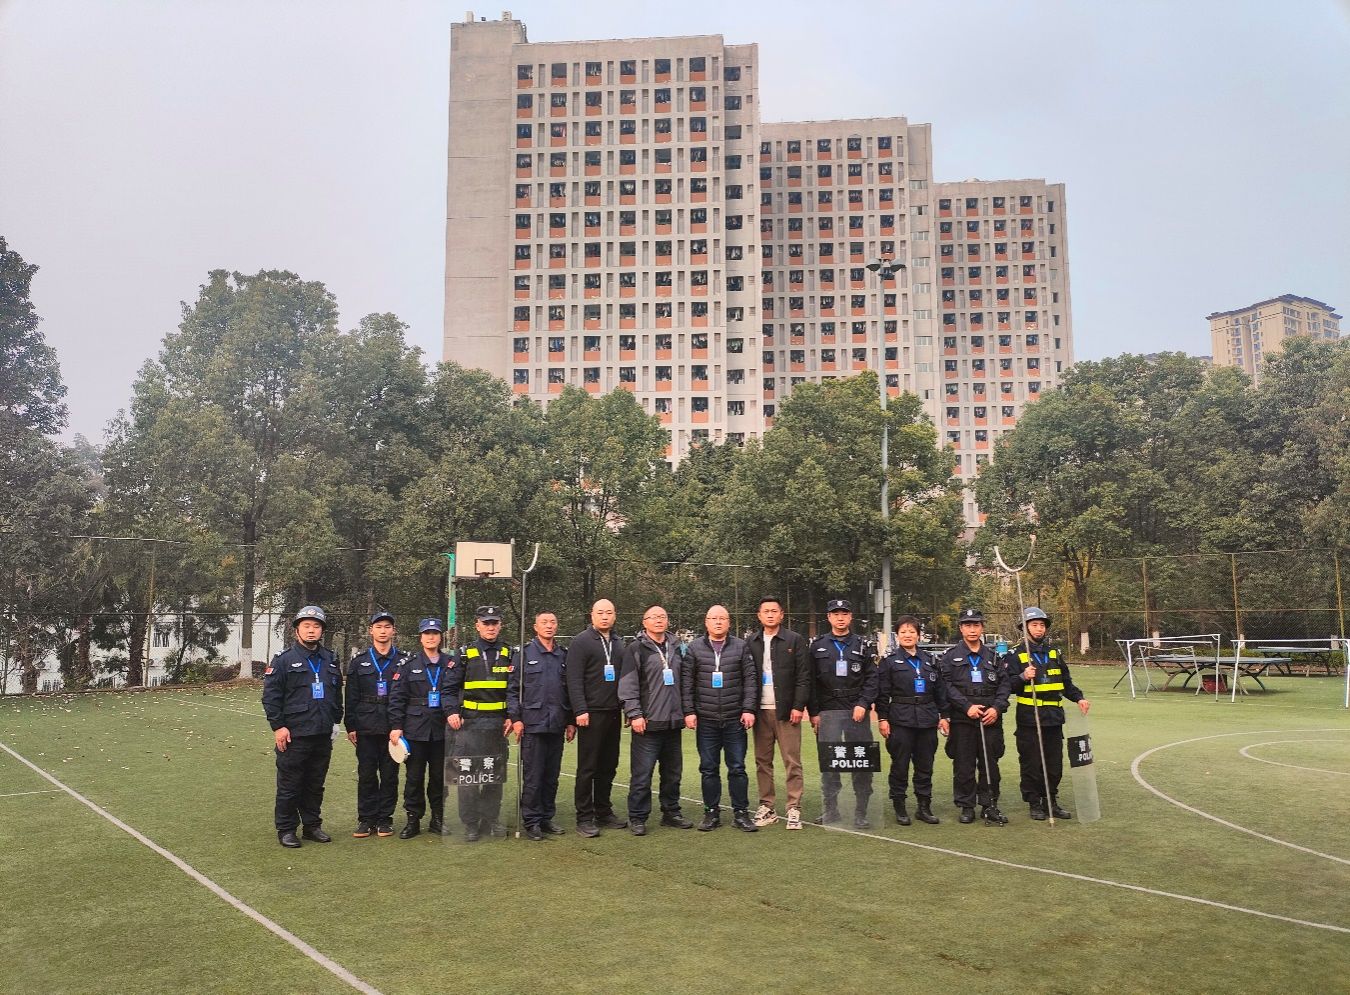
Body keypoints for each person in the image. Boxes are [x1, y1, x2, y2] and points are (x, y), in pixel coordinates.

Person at [262, 605, 343, 848]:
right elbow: (271, 697)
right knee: (290, 785)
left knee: (315, 784)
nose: (311, 630)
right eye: (306, 625)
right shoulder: (284, 660)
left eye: (316, 626)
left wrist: (336, 721)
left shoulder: (330, 659)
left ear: (322, 631)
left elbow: (336, 693)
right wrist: (278, 726)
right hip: (294, 734)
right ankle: (286, 829)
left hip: (322, 733)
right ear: (296, 630)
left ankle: (312, 826)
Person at [1004, 607, 1090, 821]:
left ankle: (1050, 800)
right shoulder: (1015, 654)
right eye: (1034, 625)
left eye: (1042, 625)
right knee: (1032, 763)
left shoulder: (1054, 653)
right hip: (1029, 717)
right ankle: (1034, 802)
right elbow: (1006, 686)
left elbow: (1066, 683)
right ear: (1025, 628)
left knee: (1054, 765)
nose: (1039, 629)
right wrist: (1023, 676)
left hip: (1053, 717)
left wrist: (1079, 698)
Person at [681, 605, 759, 832]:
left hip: (735, 718)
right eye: (713, 618)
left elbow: (750, 680)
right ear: (706, 622)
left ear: (729, 622)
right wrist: (689, 711)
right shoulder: (694, 648)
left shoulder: (740, 646)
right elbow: (687, 683)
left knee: (737, 768)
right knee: (708, 768)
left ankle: (741, 813)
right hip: (706, 719)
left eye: (722, 618)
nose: (718, 622)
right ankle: (711, 812)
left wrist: (748, 709)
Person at [619, 605, 694, 835]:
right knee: (642, 775)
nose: (659, 620)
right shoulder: (636, 648)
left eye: (663, 616)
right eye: (654, 617)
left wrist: (687, 711)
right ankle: (637, 817)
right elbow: (628, 684)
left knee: (672, 774)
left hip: (673, 722)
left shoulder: (678, 646)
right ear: (645, 622)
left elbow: (686, 682)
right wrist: (635, 714)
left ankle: (671, 812)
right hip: (648, 723)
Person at [807, 599, 879, 829]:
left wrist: (863, 704)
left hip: (855, 710)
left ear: (851, 617)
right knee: (830, 763)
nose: (840, 617)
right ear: (828, 617)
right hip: (828, 711)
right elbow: (810, 682)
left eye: (844, 613)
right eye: (835, 613)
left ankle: (861, 812)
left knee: (861, 761)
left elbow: (872, 678)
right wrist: (814, 712)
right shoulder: (817, 646)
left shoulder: (863, 645)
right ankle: (831, 810)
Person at [446, 605, 515, 842]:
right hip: (470, 727)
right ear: (477, 625)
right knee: (468, 778)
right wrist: (452, 712)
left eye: (494, 622)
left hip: (497, 727)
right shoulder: (465, 653)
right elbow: (449, 688)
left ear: (500, 625)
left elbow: (515, 690)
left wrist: (512, 716)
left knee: (493, 777)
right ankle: (470, 824)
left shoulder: (509, 653)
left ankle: (491, 819)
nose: (490, 627)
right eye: (486, 623)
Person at [937, 608, 1011, 826]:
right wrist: (966, 706)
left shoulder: (994, 657)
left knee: (990, 764)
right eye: (967, 625)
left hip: (990, 718)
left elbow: (1004, 685)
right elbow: (945, 686)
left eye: (976, 625)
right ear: (961, 628)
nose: (972, 629)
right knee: (964, 764)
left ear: (982, 628)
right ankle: (966, 805)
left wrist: (996, 709)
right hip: (963, 719)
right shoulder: (950, 657)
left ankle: (989, 804)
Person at [875, 615, 948, 827]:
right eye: (903, 632)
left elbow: (940, 692)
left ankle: (924, 807)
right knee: (900, 765)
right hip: (900, 719)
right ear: (897, 636)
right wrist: (882, 718)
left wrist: (944, 716)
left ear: (918, 635)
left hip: (927, 719)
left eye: (912, 632)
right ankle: (899, 806)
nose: (908, 635)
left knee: (925, 765)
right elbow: (882, 694)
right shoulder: (889, 662)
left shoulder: (931, 661)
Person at [509, 609, 575, 841]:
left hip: (556, 724)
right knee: (533, 777)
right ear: (535, 627)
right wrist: (516, 719)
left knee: (551, 776)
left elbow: (569, 690)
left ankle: (547, 817)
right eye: (544, 622)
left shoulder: (563, 655)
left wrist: (570, 721)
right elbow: (513, 690)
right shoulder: (524, 654)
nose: (549, 625)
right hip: (532, 724)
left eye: (552, 622)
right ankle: (532, 821)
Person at [746, 595, 811, 830]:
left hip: (786, 711)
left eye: (775, 611)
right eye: (766, 611)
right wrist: (748, 708)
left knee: (792, 761)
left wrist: (798, 706)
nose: (770, 615)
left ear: (782, 615)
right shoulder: (751, 642)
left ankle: (794, 807)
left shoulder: (794, 640)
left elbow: (804, 676)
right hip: (760, 711)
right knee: (762, 761)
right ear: (759, 615)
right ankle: (767, 806)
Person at [344, 610, 409, 838]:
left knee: (390, 775)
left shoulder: (404, 661)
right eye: (378, 627)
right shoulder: (359, 661)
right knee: (367, 775)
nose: (383, 631)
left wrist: (402, 725)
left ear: (394, 631)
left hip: (393, 727)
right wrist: (351, 726)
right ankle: (366, 819)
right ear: (371, 630)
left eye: (387, 627)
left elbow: (406, 695)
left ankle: (384, 820)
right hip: (366, 726)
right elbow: (351, 696)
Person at [564, 598, 626, 837]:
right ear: (592, 615)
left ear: (615, 615)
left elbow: (625, 679)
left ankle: (603, 811)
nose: (605, 616)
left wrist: (626, 708)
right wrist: (580, 710)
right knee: (588, 767)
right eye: (600, 612)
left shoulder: (619, 643)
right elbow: (573, 679)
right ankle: (584, 816)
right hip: (590, 714)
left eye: (609, 612)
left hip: (613, 713)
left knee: (608, 765)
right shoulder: (581, 642)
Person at [388, 618, 451, 839]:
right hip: (415, 729)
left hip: (442, 730)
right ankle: (413, 820)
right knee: (414, 778)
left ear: (441, 637)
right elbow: (397, 698)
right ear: (421, 637)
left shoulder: (451, 664)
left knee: (439, 778)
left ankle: (437, 819)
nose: (431, 637)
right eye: (427, 633)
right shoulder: (408, 664)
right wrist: (396, 726)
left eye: (435, 633)